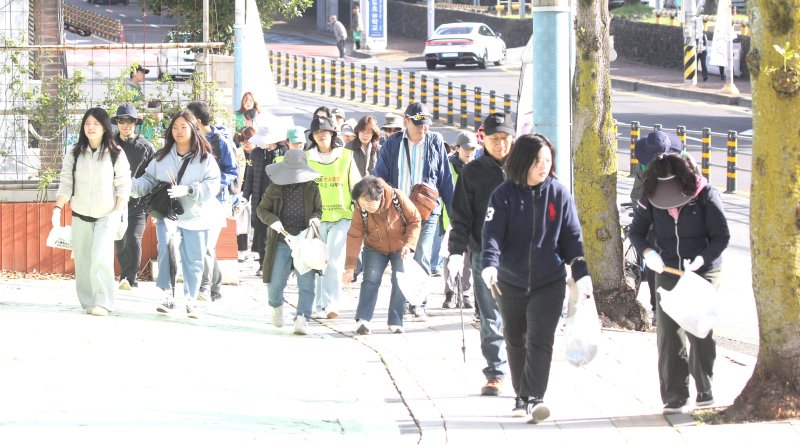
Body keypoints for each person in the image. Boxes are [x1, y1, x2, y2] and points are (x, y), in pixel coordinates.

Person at [481, 133, 592, 423]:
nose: (543, 166)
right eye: (537, 161)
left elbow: (572, 240)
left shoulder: (558, 194)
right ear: (523, 162)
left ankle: (535, 398)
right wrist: (489, 265)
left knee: (541, 340)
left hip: (549, 281)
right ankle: (521, 396)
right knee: (515, 339)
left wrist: (581, 275)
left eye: (547, 160)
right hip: (509, 280)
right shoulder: (503, 194)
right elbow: (491, 235)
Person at [628, 153, 730, 414]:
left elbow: (721, 236)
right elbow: (637, 231)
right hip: (667, 268)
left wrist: (701, 259)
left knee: (700, 328)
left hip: (701, 270)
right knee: (669, 332)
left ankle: (705, 385)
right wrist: (648, 253)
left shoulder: (706, 195)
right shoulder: (650, 197)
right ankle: (675, 394)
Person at [448, 116, 514, 397]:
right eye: (494, 138)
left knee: (520, 316)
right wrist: (454, 252)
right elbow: (461, 216)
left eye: (505, 138)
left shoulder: (525, 167)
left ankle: (525, 370)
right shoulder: (472, 172)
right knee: (490, 316)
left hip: (519, 253)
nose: (500, 144)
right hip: (482, 253)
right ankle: (495, 371)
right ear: (483, 139)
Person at [132, 110, 221, 318]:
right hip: (167, 214)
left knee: (194, 258)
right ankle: (167, 295)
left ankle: (191, 299)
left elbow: (213, 185)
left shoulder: (205, 158)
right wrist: (130, 185)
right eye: (174, 127)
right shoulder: (162, 157)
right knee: (165, 249)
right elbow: (148, 181)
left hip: (196, 216)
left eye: (183, 127)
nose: (178, 131)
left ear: (193, 128)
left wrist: (190, 190)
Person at [373, 102, 454, 321]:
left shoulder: (436, 142)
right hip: (399, 212)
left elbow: (446, 180)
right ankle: (404, 301)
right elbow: (379, 178)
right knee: (403, 259)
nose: (422, 129)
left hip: (428, 212)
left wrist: (455, 215)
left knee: (422, 256)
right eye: (417, 124)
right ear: (406, 121)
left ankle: (419, 304)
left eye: (425, 124)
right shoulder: (392, 144)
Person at [52, 108, 132, 316]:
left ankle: (104, 302)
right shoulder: (74, 153)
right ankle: (89, 302)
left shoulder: (116, 154)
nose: (91, 127)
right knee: (83, 259)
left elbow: (124, 185)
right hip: (80, 214)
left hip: (107, 214)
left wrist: (117, 210)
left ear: (105, 127)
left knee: (100, 257)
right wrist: (57, 208)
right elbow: (66, 184)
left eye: (96, 123)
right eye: (87, 123)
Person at [342, 176, 422, 334]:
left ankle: (396, 321)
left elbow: (415, 219)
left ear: (379, 197)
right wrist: (350, 267)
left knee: (399, 281)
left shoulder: (397, 197)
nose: (366, 207)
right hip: (374, 247)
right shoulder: (361, 209)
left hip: (401, 247)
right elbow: (354, 235)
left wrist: (409, 244)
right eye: (362, 203)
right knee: (370, 279)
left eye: (369, 203)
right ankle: (363, 320)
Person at [256, 149, 323, 335]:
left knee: (307, 284)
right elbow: (261, 210)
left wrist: (315, 219)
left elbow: (318, 209)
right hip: (281, 239)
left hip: (305, 241)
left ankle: (302, 318)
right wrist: (273, 221)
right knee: (275, 283)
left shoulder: (312, 187)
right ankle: (276, 306)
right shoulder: (274, 188)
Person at [306, 115, 362, 319]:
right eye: (317, 132)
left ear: (332, 134)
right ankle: (321, 305)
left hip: (341, 217)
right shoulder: (307, 158)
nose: (321, 135)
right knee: (319, 261)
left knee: (333, 261)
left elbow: (356, 186)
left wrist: (360, 214)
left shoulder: (345, 156)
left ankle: (331, 304)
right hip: (316, 219)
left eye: (325, 132)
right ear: (312, 136)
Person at [186, 101, 238, 302]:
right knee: (204, 246)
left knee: (206, 246)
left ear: (197, 121)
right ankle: (214, 288)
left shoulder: (220, 141)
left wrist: (213, 185)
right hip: (194, 200)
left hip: (215, 201)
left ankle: (205, 288)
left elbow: (232, 171)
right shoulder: (190, 141)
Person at [631, 130, 683, 325]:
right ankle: (657, 309)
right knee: (655, 267)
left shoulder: (683, 163)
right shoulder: (643, 166)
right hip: (654, 223)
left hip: (681, 223)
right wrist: (647, 209)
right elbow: (636, 194)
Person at [111, 103, 156, 290]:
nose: (126, 124)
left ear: (136, 123)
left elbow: (155, 176)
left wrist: (152, 205)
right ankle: (124, 275)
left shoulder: (146, 147)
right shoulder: (110, 144)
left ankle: (130, 278)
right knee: (120, 239)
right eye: (122, 120)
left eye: (130, 120)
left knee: (133, 237)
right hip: (115, 201)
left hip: (139, 202)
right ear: (117, 123)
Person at [441, 130, 479, 310]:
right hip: (450, 220)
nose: (469, 152)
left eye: (472, 149)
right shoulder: (447, 166)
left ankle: (465, 292)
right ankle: (450, 293)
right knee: (450, 257)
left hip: (472, 221)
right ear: (457, 149)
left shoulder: (478, 168)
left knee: (469, 260)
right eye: (466, 149)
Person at [244, 125, 288, 274]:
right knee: (261, 230)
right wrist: (245, 196)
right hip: (258, 197)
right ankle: (263, 264)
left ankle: (277, 264)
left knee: (276, 230)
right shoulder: (255, 153)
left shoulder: (283, 152)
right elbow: (249, 176)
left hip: (277, 199)